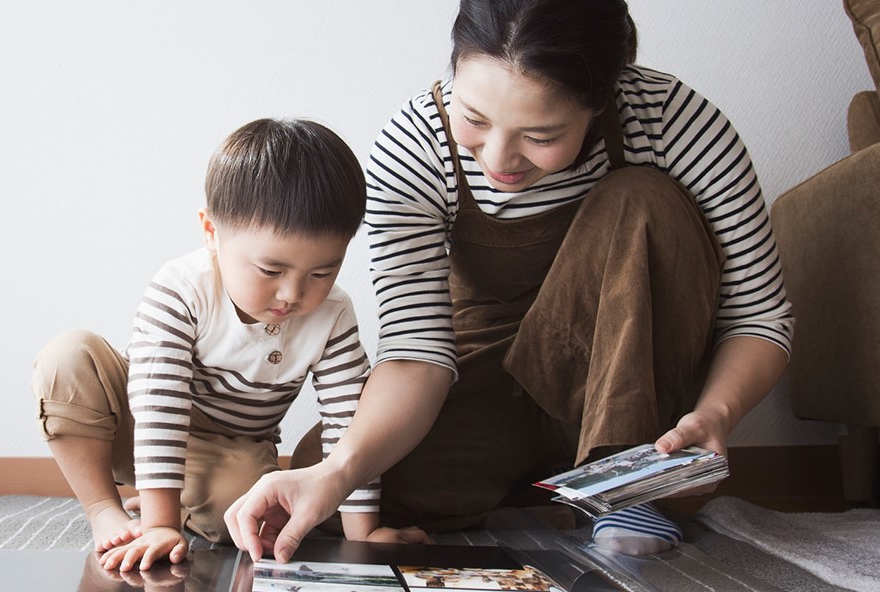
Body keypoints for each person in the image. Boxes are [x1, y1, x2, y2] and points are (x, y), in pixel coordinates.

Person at [226, 0, 793, 560]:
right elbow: (416, 352)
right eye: (473, 118)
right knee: (326, 486)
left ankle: (625, 488)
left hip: (631, 386)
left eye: (541, 135)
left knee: (641, 199)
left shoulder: (672, 120)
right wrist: (340, 470)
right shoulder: (416, 144)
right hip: (490, 375)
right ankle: (549, 495)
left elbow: (760, 315)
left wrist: (716, 414)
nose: (498, 158)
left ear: (600, 100)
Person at [30, 118, 427, 572]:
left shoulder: (333, 313)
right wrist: (161, 525)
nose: (292, 294)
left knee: (244, 509)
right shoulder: (183, 288)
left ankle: (186, 499)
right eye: (271, 271)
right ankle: (108, 508)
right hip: (137, 426)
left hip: (234, 447)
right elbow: (159, 404)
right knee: (67, 357)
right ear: (211, 233)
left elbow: (349, 420)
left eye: (322, 273)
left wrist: (364, 537)